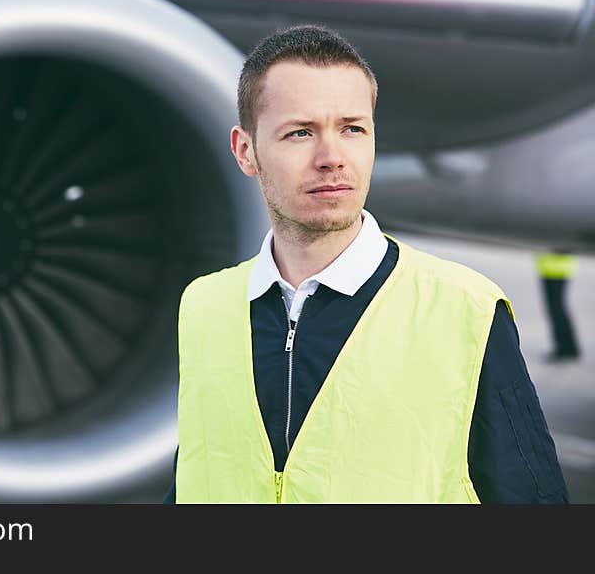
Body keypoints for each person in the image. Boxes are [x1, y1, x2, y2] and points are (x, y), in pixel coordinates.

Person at [164, 25, 568, 503]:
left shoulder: (466, 312)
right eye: (300, 133)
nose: (332, 158)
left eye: (352, 129)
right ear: (245, 151)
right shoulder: (204, 307)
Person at [535, 251, 580, 361]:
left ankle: (567, 348)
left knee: (557, 309)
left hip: (556, 269)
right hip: (551, 267)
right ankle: (567, 347)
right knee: (556, 309)